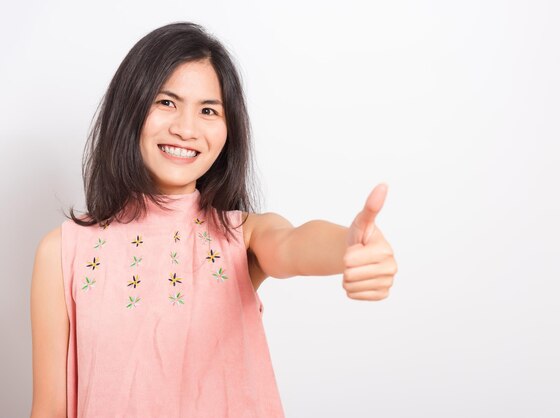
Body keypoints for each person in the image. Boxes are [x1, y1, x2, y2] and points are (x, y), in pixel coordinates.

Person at [30, 21, 397, 418]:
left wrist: (349, 247)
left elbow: (292, 244)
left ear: (228, 130)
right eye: (166, 102)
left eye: (208, 110)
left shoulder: (241, 236)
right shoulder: (63, 251)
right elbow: (49, 408)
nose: (186, 129)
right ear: (130, 108)